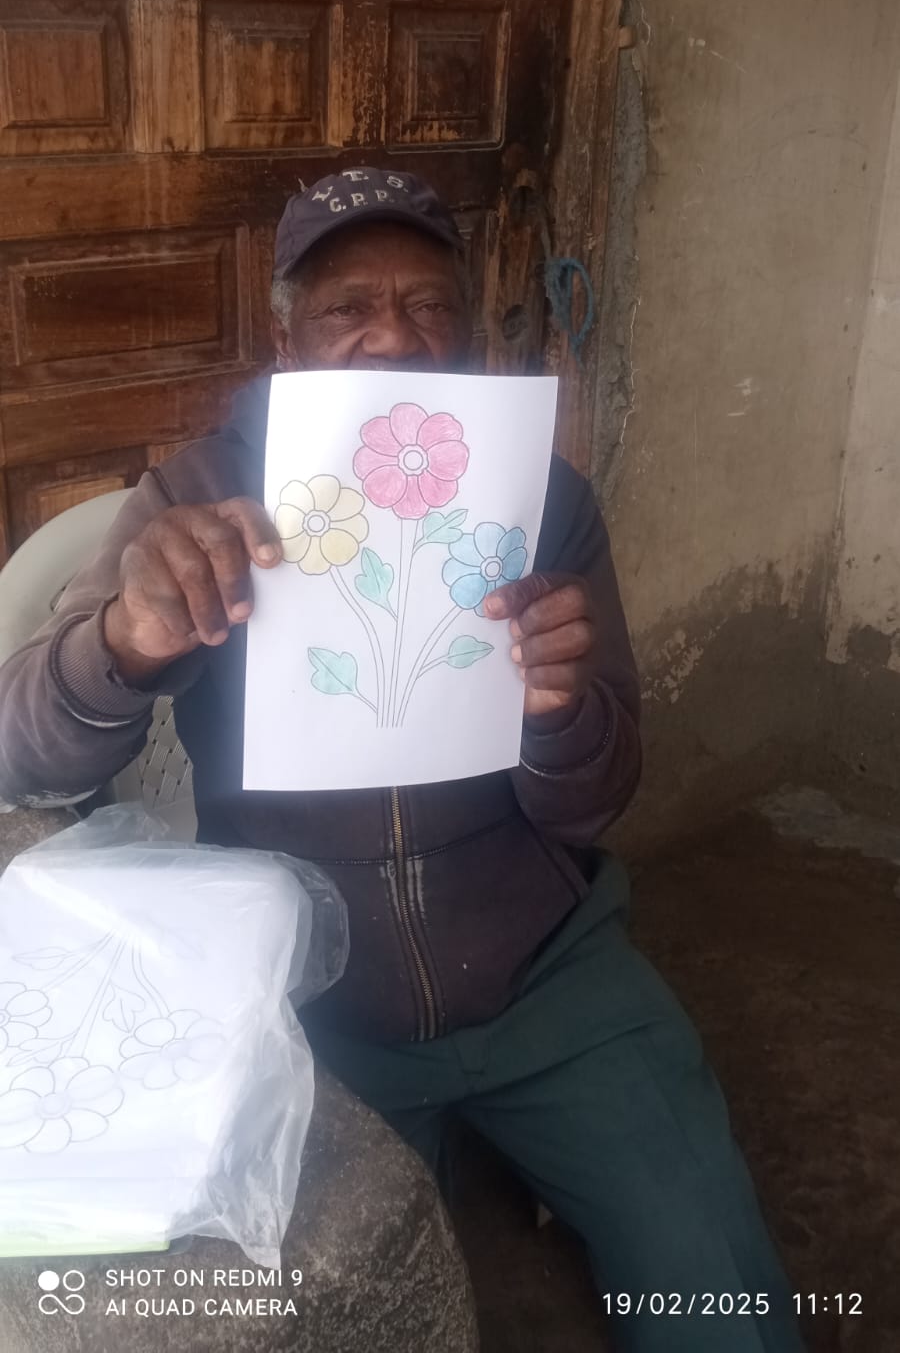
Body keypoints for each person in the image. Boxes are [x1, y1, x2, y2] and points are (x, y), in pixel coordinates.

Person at [0, 170, 803, 1352]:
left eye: (430, 306)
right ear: (287, 339)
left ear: (468, 334)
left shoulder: (545, 502)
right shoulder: (195, 496)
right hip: (311, 1004)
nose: (393, 336)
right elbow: (22, 750)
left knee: (720, 1300)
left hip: (544, 969)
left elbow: (597, 798)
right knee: (356, 1311)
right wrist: (126, 639)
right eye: (348, 308)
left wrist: (558, 708)